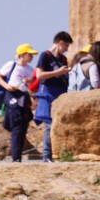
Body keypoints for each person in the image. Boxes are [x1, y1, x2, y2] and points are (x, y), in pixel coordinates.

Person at [0, 44, 38, 163]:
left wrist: (30, 82)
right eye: (30, 54)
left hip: (24, 98)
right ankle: (16, 157)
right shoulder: (11, 65)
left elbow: (33, 86)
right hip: (12, 96)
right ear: (22, 55)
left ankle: (17, 155)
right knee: (17, 126)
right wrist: (7, 86)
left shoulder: (30, 70)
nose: (31, 57)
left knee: (23, 126)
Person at [33, 31, 72, 161]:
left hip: (61, 92)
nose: (66, 50)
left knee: (58, 124)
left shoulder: (63, 59)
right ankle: (46, 155)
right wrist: (58, 72)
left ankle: (57, 155)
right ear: (60, 43)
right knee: (49, 124)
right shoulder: (46, 56)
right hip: (47, 91)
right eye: (66, 46)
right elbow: (39, 75)